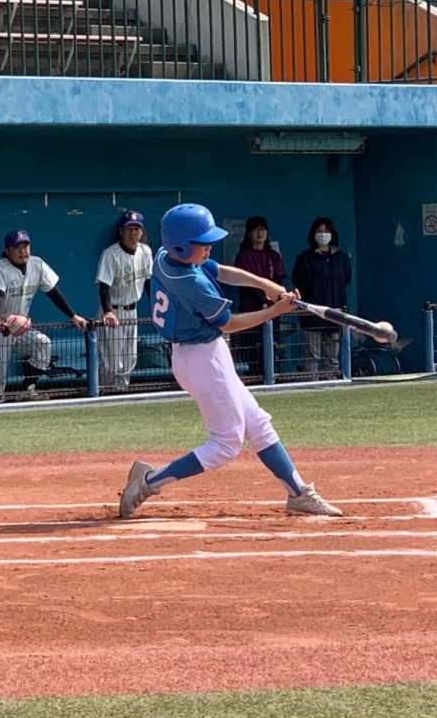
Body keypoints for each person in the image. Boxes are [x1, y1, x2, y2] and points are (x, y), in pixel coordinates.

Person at [119, 203, 342, 520]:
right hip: (201, 360)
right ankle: (148, 482)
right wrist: (275, 311)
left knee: (258, 424)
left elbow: (221, 271)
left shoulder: (166, 257)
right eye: (202, 242)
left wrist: (266, 285)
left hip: (205, 353)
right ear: (181, 245)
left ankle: (298, 493)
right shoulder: (190, 283)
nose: (209, 247)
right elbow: (229, 324)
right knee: (226, 444)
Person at [0, 229, 87, 398]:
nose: (22, 251)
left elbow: (53, 292)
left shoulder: (37, 264)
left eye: (25, 246)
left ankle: (27, 388)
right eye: (17, 248)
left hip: (19, 326)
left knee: (42, 344)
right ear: (7, 250)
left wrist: (72, 315)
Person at [95, 210, 153, 391]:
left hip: (132, 311)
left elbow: (149, 281)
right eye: (129, 229)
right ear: (121, 231)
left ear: (142, 232)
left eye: (136, 229)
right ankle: (104, 393)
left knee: (130, 358)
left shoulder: (145, 251)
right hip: (113, 311)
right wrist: (107, 312)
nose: (133, 233)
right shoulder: (111, 254)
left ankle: (121, 392)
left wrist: (156, 308)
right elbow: (104, 285)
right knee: (111, 360)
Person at [291, 217, 352, 378]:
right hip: (311, 315)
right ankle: (313, 384)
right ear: (313, 234)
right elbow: (298, 280)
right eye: (319, 231)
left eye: (326, 231)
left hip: (335, 314)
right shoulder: (305, 258)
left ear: (332, 234)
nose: (323, 234)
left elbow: (347, 279)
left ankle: (333, 384)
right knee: (312, 357)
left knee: (333, 358)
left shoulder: (341, 258)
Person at [234, 215, 288, 378]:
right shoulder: (244, 256)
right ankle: (255, 379)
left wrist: (276, 303)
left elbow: (278, 281)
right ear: (249, 233)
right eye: (256, 230)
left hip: (273, 310)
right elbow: (246, 282)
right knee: (252, 350)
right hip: (251, 310)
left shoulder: (274, 256)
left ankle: (270, 378)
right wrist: (262, 303)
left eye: (263, 229)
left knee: (271, 346)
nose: (260, 233)